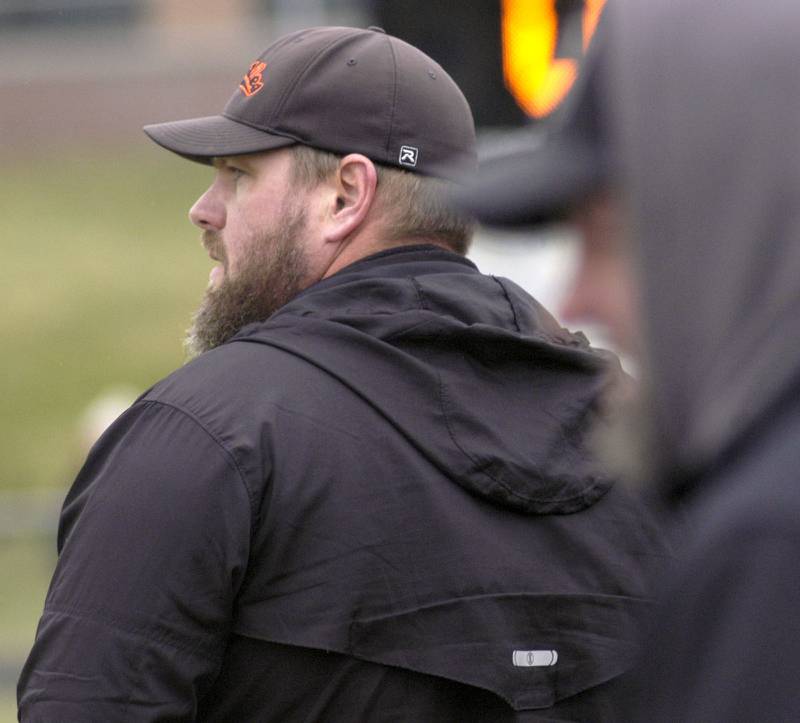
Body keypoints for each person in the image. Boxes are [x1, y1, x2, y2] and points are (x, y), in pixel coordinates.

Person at [18, 26, 667, 721]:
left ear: (344, 195)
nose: (203, 210)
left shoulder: (206, 437)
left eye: (238, 175)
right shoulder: (643, 435)